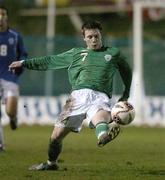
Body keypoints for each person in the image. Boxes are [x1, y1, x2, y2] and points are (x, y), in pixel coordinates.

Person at [9, 20, 132, 170]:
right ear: (84, 38)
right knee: (55, 137)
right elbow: (50, 61)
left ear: (101, 35)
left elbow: (127, 72)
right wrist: (24, 63)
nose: (94, 40)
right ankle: (51, 164)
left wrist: (126, 94)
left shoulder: (113, 53)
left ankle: (103, 136)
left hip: (100, 96)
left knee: (100, 118)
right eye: (90, 37)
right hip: (77, 98)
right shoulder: (75, 54)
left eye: (96, 36)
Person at [0, 5, 28, 151]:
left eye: (3, 14)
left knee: (10, 111)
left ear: (7, 17)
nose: (1, 17)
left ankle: (12, 118)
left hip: (10, 77)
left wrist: (20, 65)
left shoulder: (15, 36)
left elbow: (23, 54)